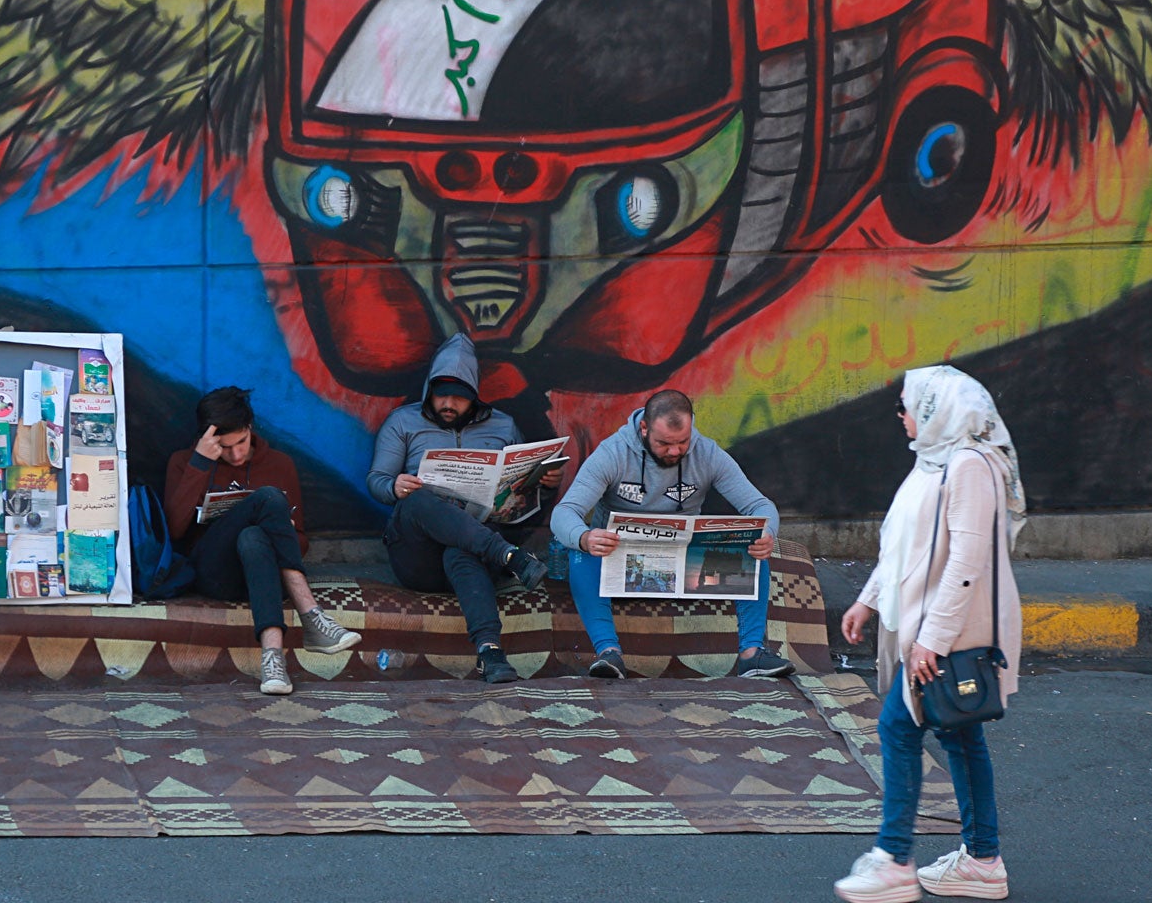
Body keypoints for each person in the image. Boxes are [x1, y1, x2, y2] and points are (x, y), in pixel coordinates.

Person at [835, 365, 1023, 902]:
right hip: (929, 626)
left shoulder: (969, 465)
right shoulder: (933, 461)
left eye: (907, 405)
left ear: (937, 409)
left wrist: (933, 640)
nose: (901, 415)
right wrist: (869, 601)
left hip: (950, 631)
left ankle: (894, 860)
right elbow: (905, 546)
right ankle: (983, 860)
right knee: (960, 735)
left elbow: (967, 559)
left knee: (898, 727)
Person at [550, 389, 793, 680]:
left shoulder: (707, 453)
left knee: (752, 548)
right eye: (664, 443)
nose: (676, 451)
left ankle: (752, 655)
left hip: (686, 564)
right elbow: (563, 513)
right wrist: (585, 537)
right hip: (621, 563)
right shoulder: (612, 453)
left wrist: (767, 533)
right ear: (644, 428)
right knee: (579, 553)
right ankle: (609, 654)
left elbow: (760, 505)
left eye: (683, 442)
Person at [367, 333, 548, 684]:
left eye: (460, 397)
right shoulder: (403, 422)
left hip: (471, 550)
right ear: (429, 390)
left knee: (459, 549)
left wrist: (540, 482)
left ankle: (490, 652)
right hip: (417, 557)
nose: (449, 403)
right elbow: (376, 479)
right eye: (441, 394)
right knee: (419, 500)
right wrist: (394, 487)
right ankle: (511, 558)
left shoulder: (503, 426)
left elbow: (520, 490)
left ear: (475, 397)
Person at [166, 386, 359, 695]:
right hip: (216, 574)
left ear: (250, 429)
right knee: (267, 498)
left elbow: (300, 542)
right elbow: (175, 530)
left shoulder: (280, 464)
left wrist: (280, 530)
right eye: (224, 447)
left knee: (253, 535)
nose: (236, 454)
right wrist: (200, 464)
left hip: (268, 572)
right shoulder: (184, 461)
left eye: (240, 442)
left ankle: (273, 660)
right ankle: (311, 614)